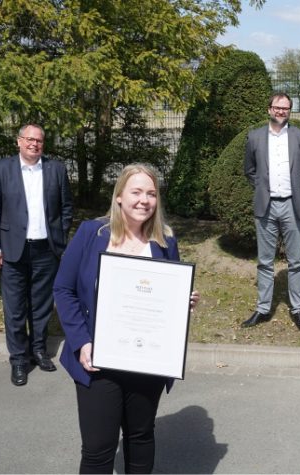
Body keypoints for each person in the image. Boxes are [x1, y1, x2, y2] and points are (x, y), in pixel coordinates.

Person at [53, 163, 200, 474]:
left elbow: (167, 297)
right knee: (97, 449)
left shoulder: (165, 242)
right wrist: (81, 342)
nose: (143, 200)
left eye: (151, 193)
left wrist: (181, 301)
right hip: (97, 360)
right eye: (136, 192)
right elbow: (63, 290)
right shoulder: (91, 233)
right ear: (119, 196)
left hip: (147, 362)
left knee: (141, 437)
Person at [0, 123, 73, 386]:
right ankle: (19, 360)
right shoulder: (2, 169)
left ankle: (38, 350)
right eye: (29, 139)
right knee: (14, 308)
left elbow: (66, 207)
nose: (34, 144)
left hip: (46, 249)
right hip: (13, 249)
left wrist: (60, 236)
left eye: (39, 141)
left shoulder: (56, 169)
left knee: (41, 305)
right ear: (19, 141)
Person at [242, 92, 300, 332]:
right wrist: (263, 188)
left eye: (285, 108)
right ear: (269, 109)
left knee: (296, 261)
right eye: (277, 107)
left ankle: (298, 309)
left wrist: (297, 188)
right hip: (266, 205)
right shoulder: (254, 138)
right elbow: (249, 170)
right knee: (265, 261)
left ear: (289, 111)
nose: (281, 111)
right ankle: (263, 309)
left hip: (292, 206)